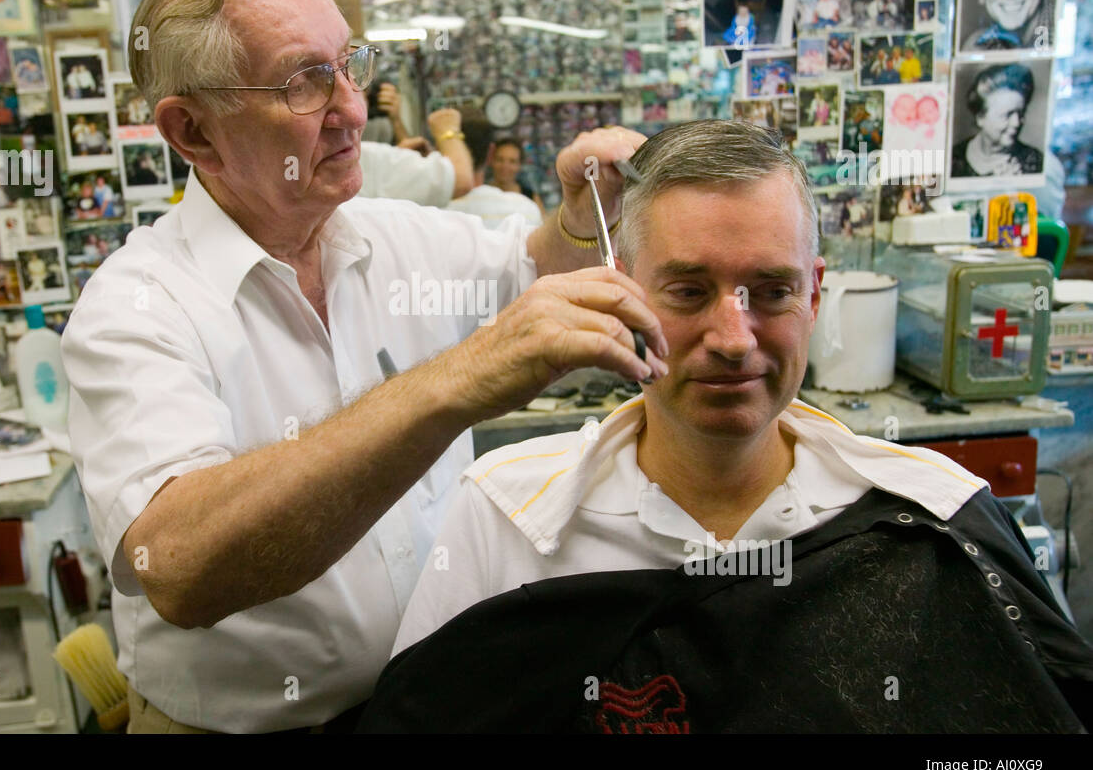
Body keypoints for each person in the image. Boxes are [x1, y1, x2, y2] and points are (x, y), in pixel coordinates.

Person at [59, 0, 665, 735]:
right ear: (194, 132)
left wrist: (582, 223)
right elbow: (177, 567)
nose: (351, 108)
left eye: (349, 66)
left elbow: (535, 275)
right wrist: (455, 382)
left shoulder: (394, 239)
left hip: (430, 709)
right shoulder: (137, 307)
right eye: (305, 82)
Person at [360, 120, 1093, 734]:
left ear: (816, 292)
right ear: (621, 292)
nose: (734, 336)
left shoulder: (932, 519)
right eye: (688, 290)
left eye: (771, 291)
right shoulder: (506, 521)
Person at [951, 61, 1044, 179]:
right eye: (1007, 115)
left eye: (1021, 113)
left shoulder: (1036, 162)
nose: (1016, 123)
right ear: (980, 118)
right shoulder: (953, 157)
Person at [447, 119, 543, 229]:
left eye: (512, 161)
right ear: (491, 158)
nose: (505, 166)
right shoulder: (529, 208)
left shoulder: (530, 200)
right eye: (500, 159)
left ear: (520, 165)